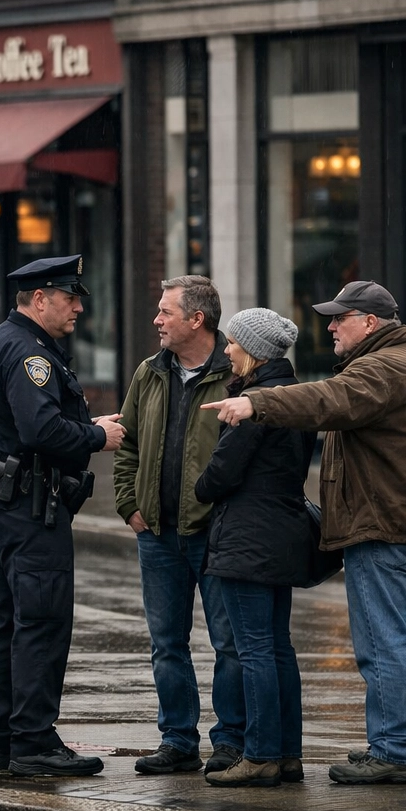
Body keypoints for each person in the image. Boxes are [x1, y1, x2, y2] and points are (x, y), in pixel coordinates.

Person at [202, 281, 406, 785]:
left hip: (381, 529)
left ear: (370, 323)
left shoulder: (379, 369)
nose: (329, 327)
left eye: (339, 318)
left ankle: (395, 750)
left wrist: (257, 405)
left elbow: (327, 400)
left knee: (384, 642)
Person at [0, 254, 126, 777]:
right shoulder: (28, 352)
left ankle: (2, 739)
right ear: (40, 299)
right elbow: (40, 431)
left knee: (10, 618)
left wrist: (83, 423)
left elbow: (32, 423)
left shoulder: (3, 339)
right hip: (30, 505)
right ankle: (33, 741)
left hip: (5, 498)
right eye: (70, 296)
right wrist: (97, 436)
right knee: (40, 620)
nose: (78, 307)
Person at [112, 275, 245, 776]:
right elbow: (126, 443)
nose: (156, 321)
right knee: (166, 643)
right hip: (158, 535)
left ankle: (230, 742)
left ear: (197, 319)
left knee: (228, 643)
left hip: (214, 534)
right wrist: (130, 506)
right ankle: (177, 740)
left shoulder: (234, 376)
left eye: (166, 312)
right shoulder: (150, 373)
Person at [193, 308, 315, 788]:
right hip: (281, 533)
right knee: (278, 648)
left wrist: (202, 486)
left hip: (247, 536)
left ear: (255, 351)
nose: (226, 349)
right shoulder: (296, 397)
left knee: (255, 649)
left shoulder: (252, 403)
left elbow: (220, 474)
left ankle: (261, 753)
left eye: (233, 343)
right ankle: (287, 753)